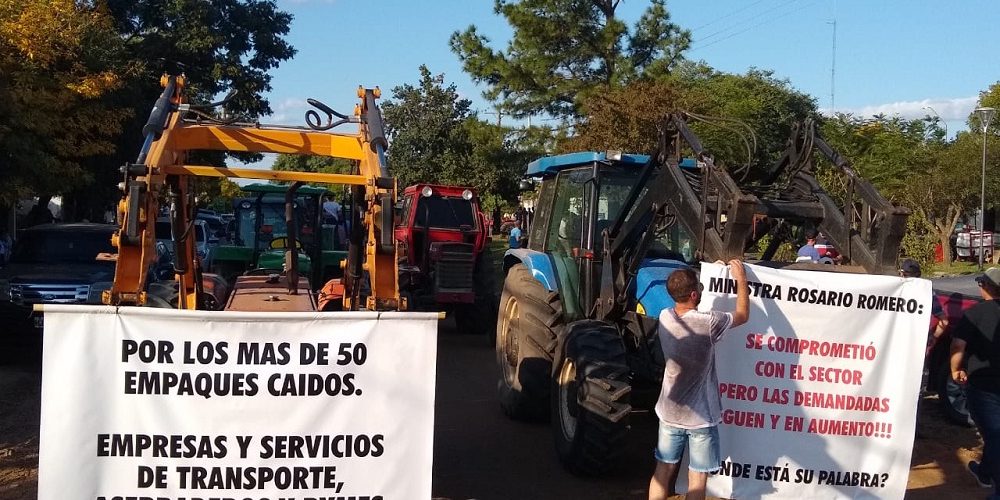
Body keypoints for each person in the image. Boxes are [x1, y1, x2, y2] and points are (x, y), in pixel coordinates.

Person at [648, 260, 750, 500]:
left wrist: (713, 272)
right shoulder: (708, 323)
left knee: (663, 471)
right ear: (694, 294)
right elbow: (743, 315)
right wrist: (740, 278)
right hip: (701, 418)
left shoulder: (664, 317)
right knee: (697, 479)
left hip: (670, 413)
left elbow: (682, 301)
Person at [950, 267, 1000, 496]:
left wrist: (955, 369)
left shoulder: (975, 313)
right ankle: (984, 473)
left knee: (995, 435)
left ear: (987, 287)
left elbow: (958, 345)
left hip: (984, 387)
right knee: (995, 434)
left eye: (980, 282)